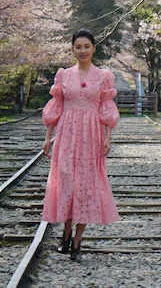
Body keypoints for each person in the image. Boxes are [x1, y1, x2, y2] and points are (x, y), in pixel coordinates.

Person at [41, 29, 120, 261]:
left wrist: (108, 137)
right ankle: (65, 232)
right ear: (73, 49)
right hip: (67, 133)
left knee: (87, 183)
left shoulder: (104, 76)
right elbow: (55, 108)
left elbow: (106, 109)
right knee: (66, 181)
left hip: (92, 135)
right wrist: (48, 137)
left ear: (93, 48)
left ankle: (78, 239)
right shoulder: (64, 75)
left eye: (86, 46)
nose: (82, 50)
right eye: (78, 47)